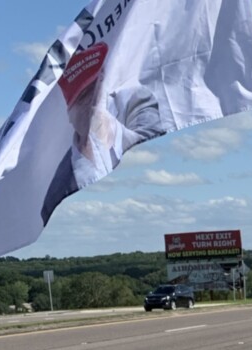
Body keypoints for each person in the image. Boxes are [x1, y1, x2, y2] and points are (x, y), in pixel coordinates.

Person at [41, 43, 171, 224]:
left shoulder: (139, 104)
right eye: (82, 96)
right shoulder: (55, 188)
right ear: (69, 114)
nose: (92, 100)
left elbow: (149, 126)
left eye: (95, 87)